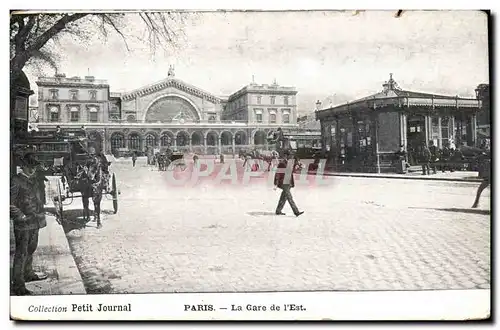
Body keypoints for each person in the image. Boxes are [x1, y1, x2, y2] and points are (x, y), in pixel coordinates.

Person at [10, 152, 48, 296]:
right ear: (23, 166)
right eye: (29, 167)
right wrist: (20, 215)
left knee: (31, 248)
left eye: (34, 167)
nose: (32, 170)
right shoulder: (15, 181)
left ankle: (28, 273)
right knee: (21, 253)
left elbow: (38, 199)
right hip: (23, 223)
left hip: (35, 221)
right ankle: (18, 286)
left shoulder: (34, 180)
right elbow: (9, 203)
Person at [274, 150, 304, 217]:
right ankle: (296, 212)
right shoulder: (282, 163)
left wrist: (299, 167)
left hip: (289, 182)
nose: (291, 156)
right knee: (289, 198)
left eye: (291, 155)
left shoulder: (290, 162)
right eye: (290, 155)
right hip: (284, 183)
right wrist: (276, 183)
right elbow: (278, 173)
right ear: (286, 155)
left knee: (283, 197)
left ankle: (278, 211)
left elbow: (292, 171)